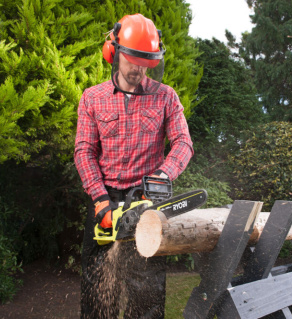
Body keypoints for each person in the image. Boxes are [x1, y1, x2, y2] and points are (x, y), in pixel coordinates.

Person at [74, 13, 193, 318]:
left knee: (147, 293)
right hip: (106, 199)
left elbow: (182, 142)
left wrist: (162, 177)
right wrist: (100, 200)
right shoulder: (92, 98)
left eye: (146, 61)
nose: (138, 68)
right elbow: (84, 152)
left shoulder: (165, 97)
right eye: (132, 58)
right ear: (115, 54)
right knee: (98, 289)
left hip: (145, 201)